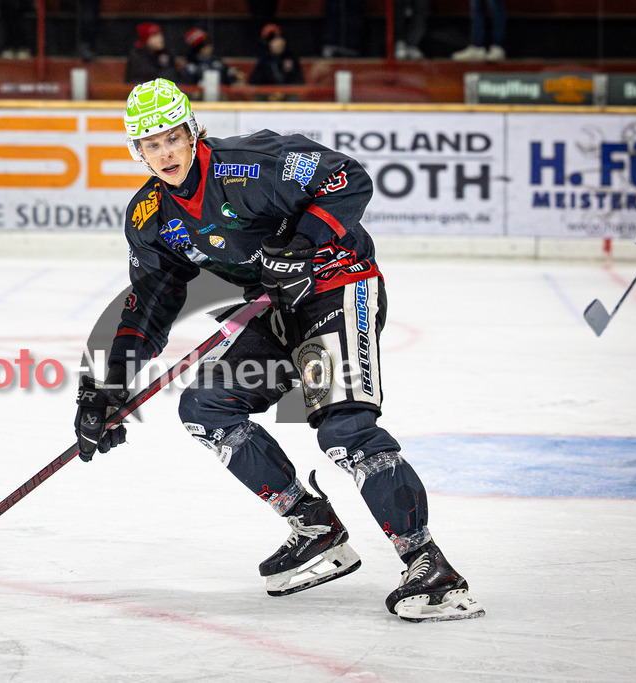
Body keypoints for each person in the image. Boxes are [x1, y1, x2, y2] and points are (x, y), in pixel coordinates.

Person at [73, 78, 485, 622]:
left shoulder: (251, 164)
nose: (165, 152)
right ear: (137, 151)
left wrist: (300, 245)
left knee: (344, 428)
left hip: (338, 283)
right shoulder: (152, 217)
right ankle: (314, 525)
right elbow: (150, 302)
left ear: (193, 132)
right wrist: (106, 385)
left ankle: (432, 569)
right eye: (151, 144)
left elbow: (347, 177)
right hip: (276, 307)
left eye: (172, 137)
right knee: (206, 406)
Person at [248, 24, 304, 101]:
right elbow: (255, 82)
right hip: (267, 95)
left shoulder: (292, 58)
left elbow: (298, 81)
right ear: (269, 43)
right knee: (259, 99)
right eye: (274, 40)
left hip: (287, 94)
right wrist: (270, 92)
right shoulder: (264, 59)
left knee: (294, 98)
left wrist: (283, 92)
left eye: (280, 39)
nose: (278, 43)